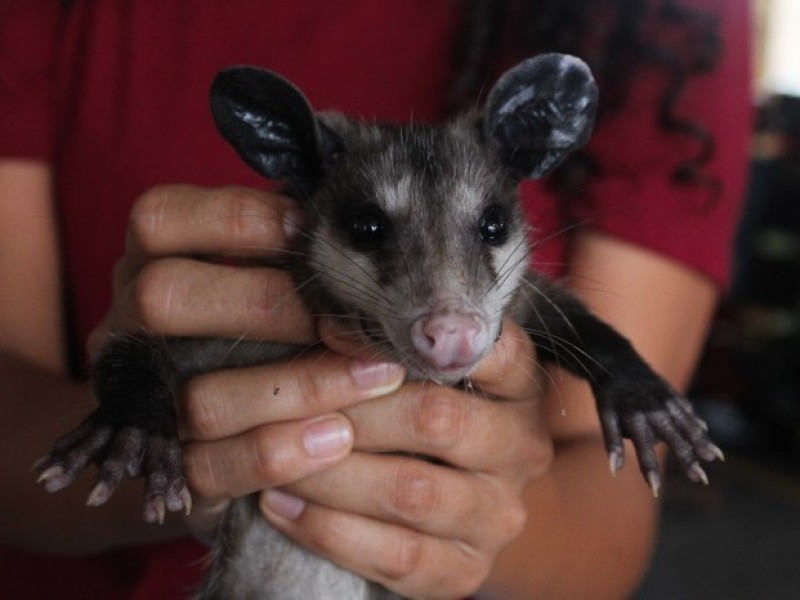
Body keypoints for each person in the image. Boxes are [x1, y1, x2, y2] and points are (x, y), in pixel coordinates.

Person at [0, 1, 751, 598]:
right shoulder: (256, 295)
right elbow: (138, 359)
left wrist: (623, 387)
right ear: (308, 203)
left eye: (488, 228)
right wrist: (150, 442)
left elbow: (605, 499)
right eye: (368, 228)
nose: (452, 315)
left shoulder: (671, 26)